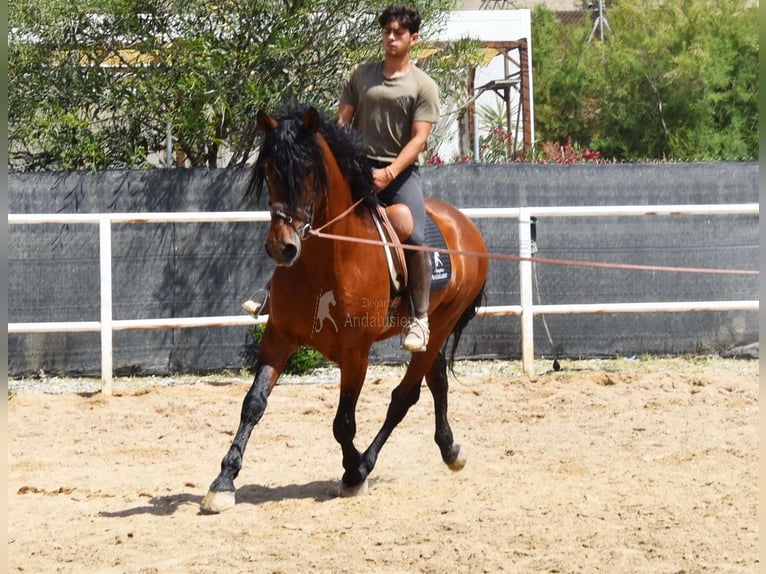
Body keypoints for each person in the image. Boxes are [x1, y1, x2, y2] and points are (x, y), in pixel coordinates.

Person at [337, 3, 439, 353]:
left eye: (398, 33)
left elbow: (419, 139)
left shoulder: (423, 85)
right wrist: (344, 163)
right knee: (312, 214)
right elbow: (342, 123)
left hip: (399, 175)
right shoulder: (360, 76)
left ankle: (420, 319)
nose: (391, 38)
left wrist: (390, 172)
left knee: (415, 234)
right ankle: (274, 291)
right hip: (358, 169)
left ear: (414, 38)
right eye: (387, 32)